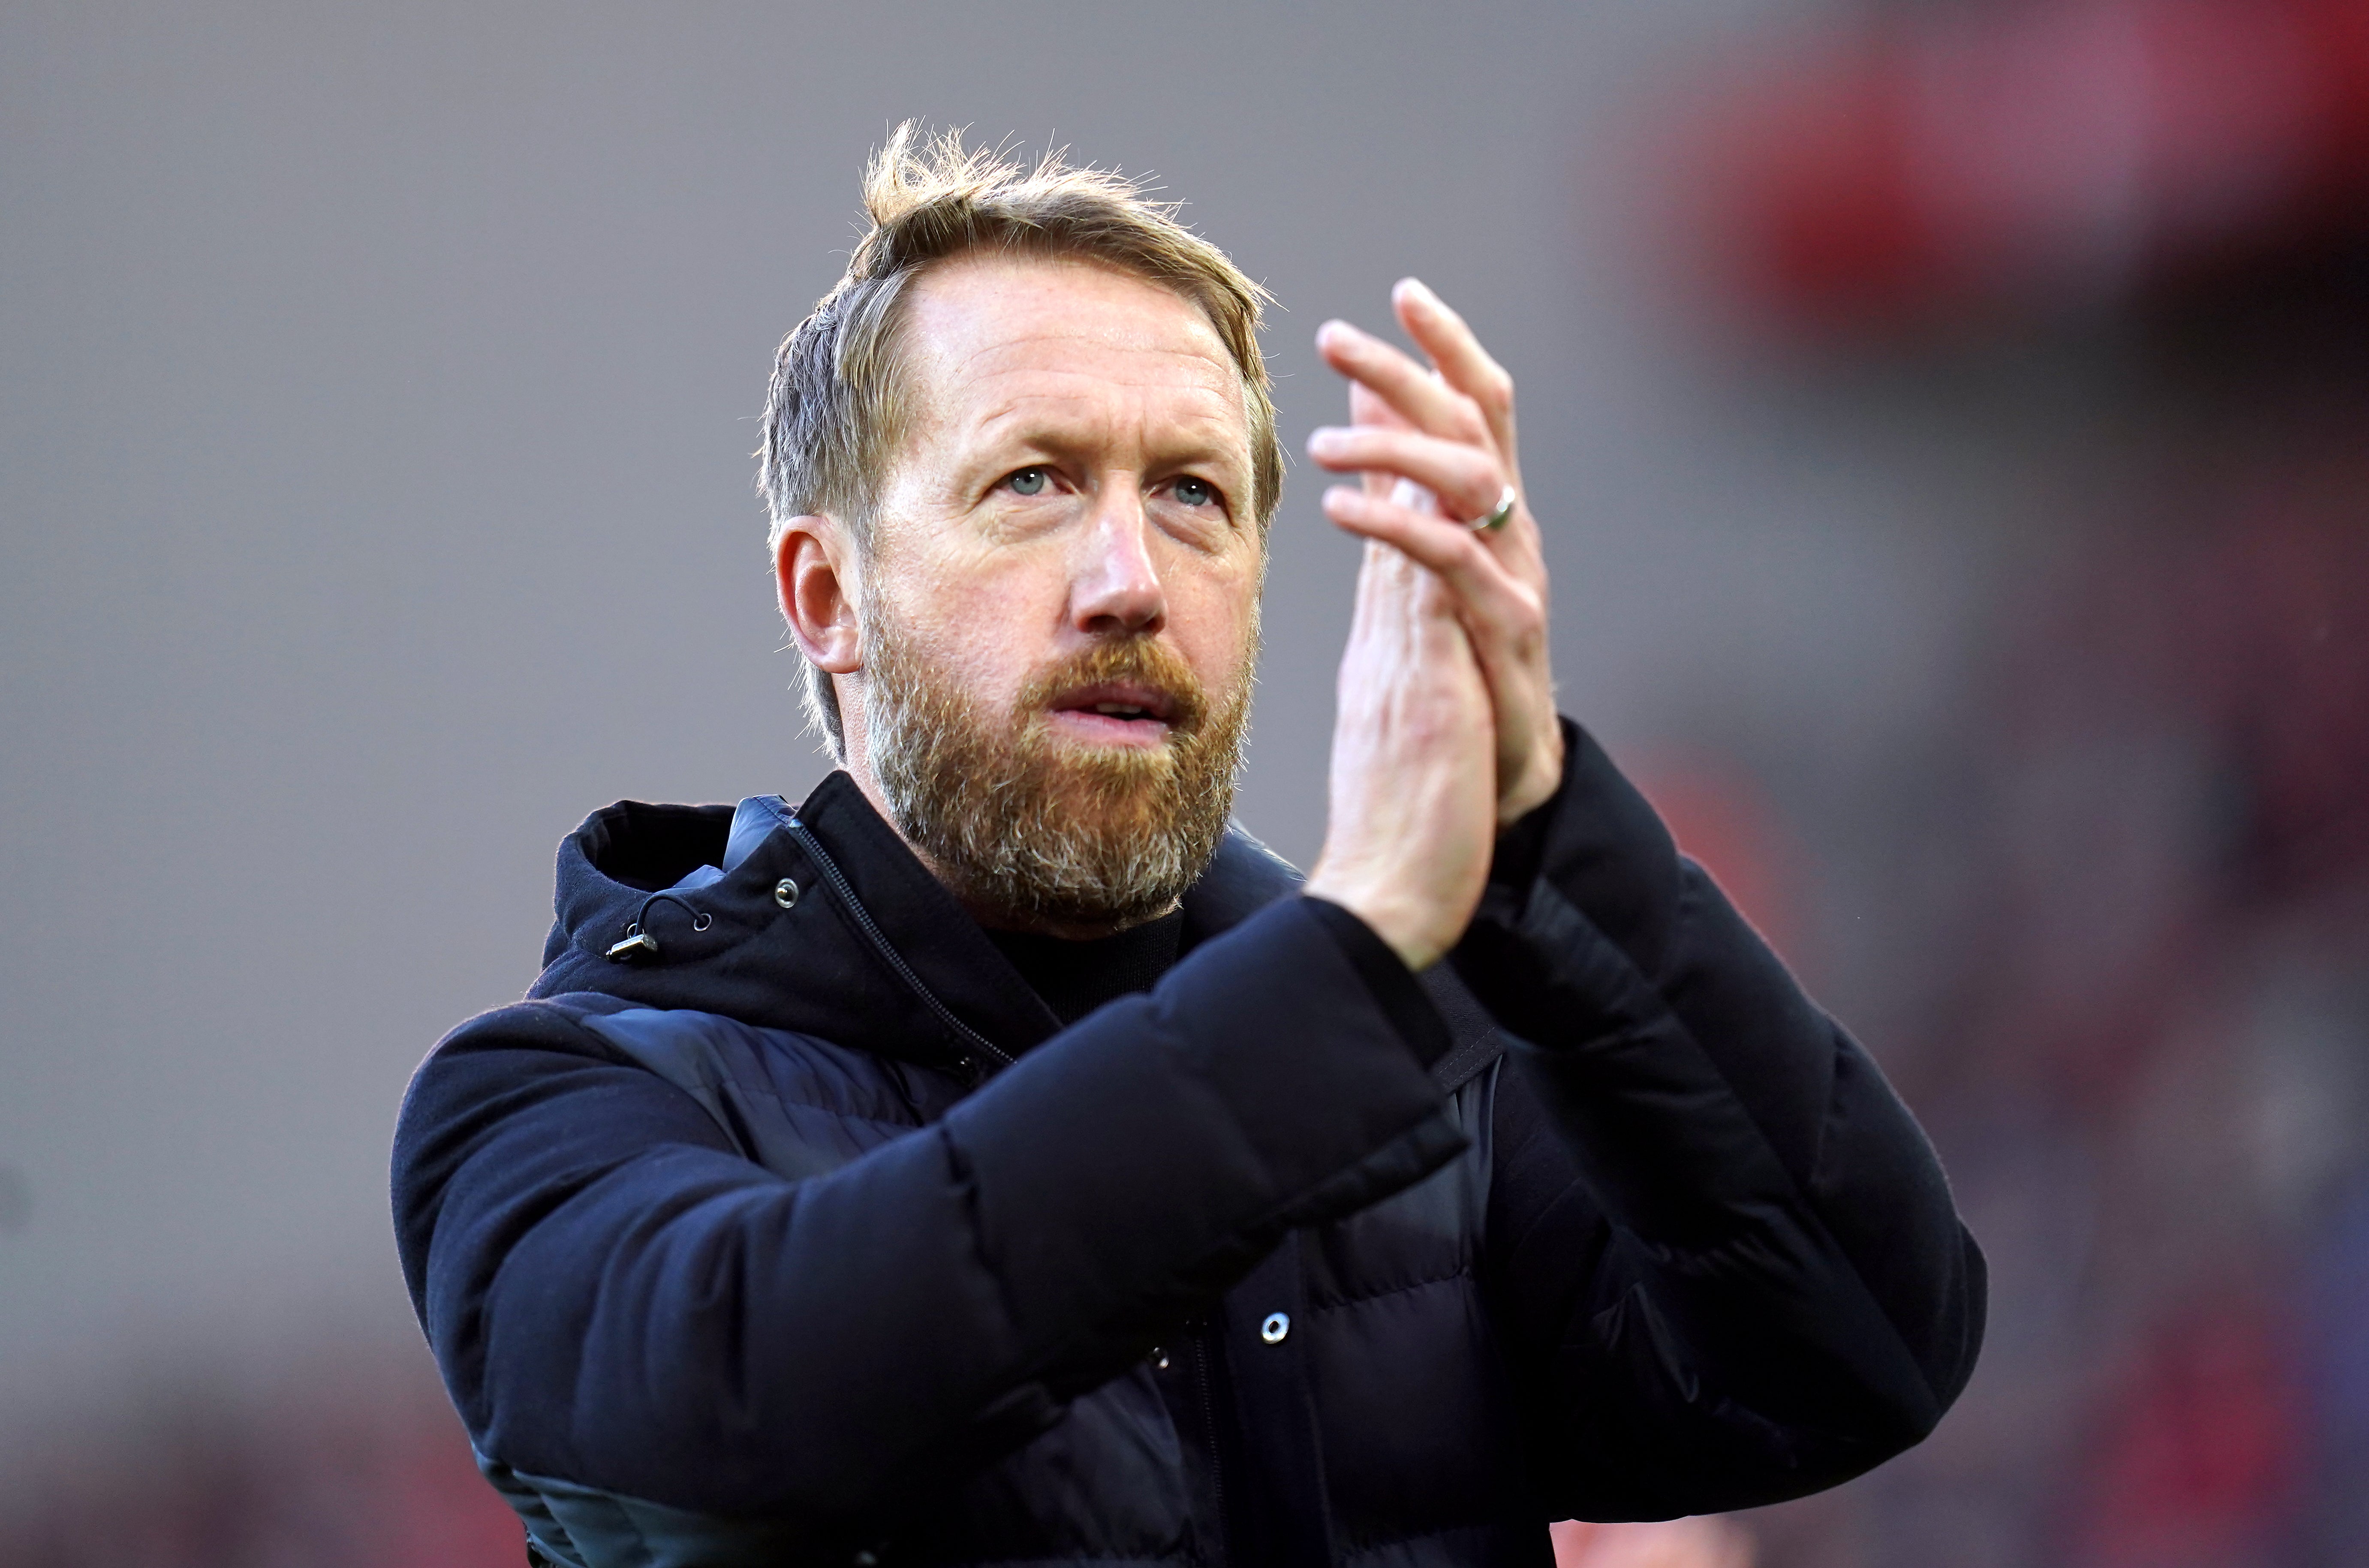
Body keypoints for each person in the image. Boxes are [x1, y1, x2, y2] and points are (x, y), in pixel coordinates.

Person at [391, 126, 1985, 1568]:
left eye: (1194, 496)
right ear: (829, 598)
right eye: (1035, 482)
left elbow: (1864, 1347)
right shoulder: (553, 1104)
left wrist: (1541, 834)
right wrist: (1351, 977)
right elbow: (758, 1410)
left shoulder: (1437, 1077)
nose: (1129, 578)